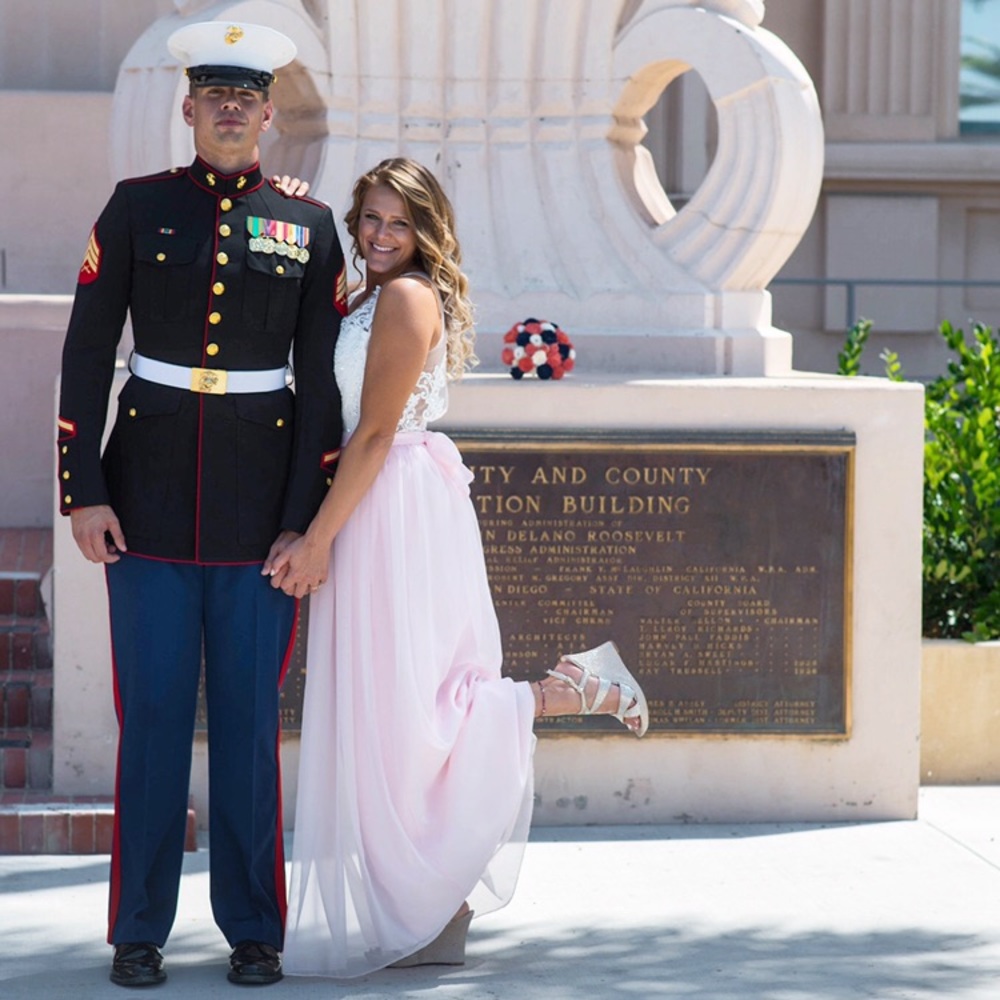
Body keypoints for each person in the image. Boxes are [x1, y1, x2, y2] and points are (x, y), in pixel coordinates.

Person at [263, 157, 649, 978]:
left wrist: (319, 539)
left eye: (398, 223)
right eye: (368, 218)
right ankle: (439, 901)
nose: (377, 235)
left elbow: (371, 432)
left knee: (417, 713)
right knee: (390, 717)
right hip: (374, 499)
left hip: (391, 501)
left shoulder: (405, 297)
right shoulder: (366, 292)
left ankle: (571, 689)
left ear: (426, 232)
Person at [57, 20, 347, 988]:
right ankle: (137, 929)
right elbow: (87, 352)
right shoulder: (135, 209)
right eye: (213, 95)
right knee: (150, 726)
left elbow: (320, 382)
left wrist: (306, 518)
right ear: (188, 110)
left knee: (249, 733)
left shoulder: (307, 225)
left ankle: (252, 929)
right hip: (140, 503)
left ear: (269, 113)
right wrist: (83, 492)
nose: (230, 109)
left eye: (247, 96)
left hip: (258, 513)